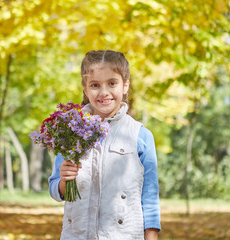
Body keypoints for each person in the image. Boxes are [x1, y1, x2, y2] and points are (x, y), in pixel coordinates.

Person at [48, 50, 161, 240]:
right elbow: (55, 189)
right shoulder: (70, 133)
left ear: (125, 85)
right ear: (85, 89)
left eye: (112, 83)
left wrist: (151, 237)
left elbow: (150, 197)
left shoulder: (140, 136)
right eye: (94, 85)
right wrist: (63, 182)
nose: (103, 92)